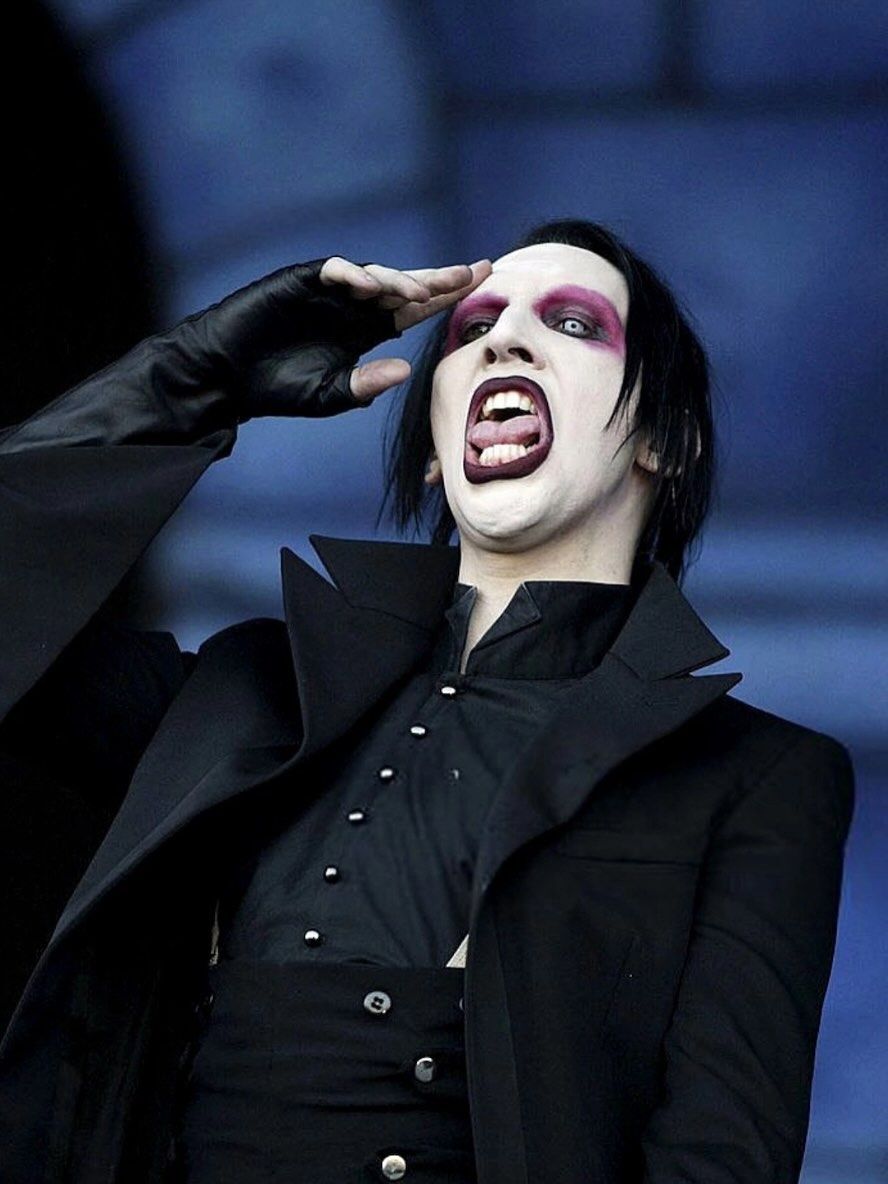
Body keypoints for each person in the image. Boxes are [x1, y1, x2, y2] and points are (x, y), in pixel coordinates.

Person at [0, 219, 855, 1183]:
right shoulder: (241, 695)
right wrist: (194, 373)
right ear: (433, 453)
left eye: (574, 324)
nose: (504, 339)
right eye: (473, 327)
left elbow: (720, 1156)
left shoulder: (755, 777)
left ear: (667, 437)